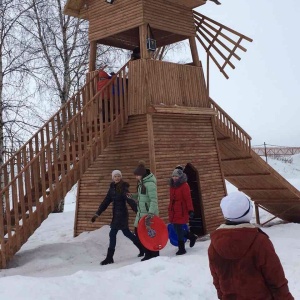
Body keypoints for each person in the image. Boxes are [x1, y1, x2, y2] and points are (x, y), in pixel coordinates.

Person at [208, 192, 294, 300]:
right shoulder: (259, 242)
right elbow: (276, 281)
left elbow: (218, 282)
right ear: (248, 212)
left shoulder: (214, 245)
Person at [91, 170, 144, 265]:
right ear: (113, 178)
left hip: (122, 215)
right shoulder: (112, 188)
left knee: (113, 234)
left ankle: (109, 257)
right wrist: (97, 213)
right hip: (116, 214)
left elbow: (130, 201)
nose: (117, 178)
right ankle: (142, 248)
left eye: (119, 176)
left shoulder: (123, 188)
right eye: (115, 176)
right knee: (127, 233)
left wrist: (138, 212)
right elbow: (106, 201)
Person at [129, 160, 159, 261]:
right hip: (141, 213)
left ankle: (153, 254)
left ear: (142, 175)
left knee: (150, 234)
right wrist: (132, 196)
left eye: (137, 175)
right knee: (138, 232)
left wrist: (150, 214)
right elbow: (142, 196)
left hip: (148, 214)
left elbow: (153, 200)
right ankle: (148, 253)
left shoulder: (149, 184)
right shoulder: (142, 183)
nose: (136, 177)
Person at [168, 167, 197, 255]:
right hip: (173, 210)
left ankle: (182, 249)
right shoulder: (172, 185)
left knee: (179, 229)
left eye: (176, 176)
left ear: (180, 177)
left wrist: (190, 210)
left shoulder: (185, 185)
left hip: (182, 210)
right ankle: (192, 237)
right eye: (173, 176)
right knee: (176, 229)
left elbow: (188, 199)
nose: (174, 178)